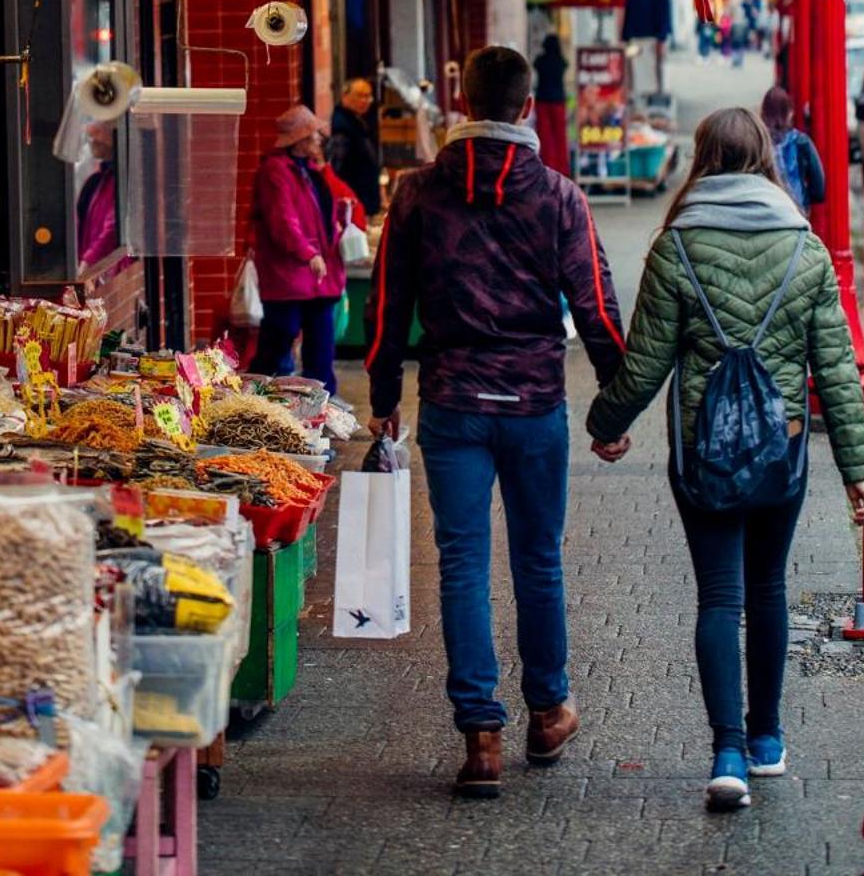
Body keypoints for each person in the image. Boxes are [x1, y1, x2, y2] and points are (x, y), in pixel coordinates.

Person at [586, 108, 864, 813]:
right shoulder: (804, 249)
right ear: (767, 163)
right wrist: (857, 472)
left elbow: (647, 360)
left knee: (719, 597)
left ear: (701, 160)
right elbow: (835, 370)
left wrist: (605, 425)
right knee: (768, 589)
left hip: (701, 452)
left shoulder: (674, 246)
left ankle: (726, 755)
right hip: (780, 451)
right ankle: (768, 739)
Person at [365, 45, 627, 799]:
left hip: (451, 403)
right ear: (524, 106)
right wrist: (611, 410)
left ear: (463, 102)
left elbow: (388, 307)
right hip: (534, 403)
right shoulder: (558, 197)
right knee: (538, 563)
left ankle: (479, 736)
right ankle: (547, 714)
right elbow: (597, 310)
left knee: (462, 565)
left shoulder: (417, 194)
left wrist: (383, 398)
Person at [249, 105, 350, 392]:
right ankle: (268, 395)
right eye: (314, 133)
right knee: (280, 337)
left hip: (316, 273)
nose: (319, 138)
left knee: (321, 339)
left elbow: (316, 214)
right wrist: (308, 252)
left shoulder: (309, 170)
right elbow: (282, 220)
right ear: (300, 138)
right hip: (290, 272)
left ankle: (322, 397)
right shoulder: (276, 171)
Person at [760, 85, 826, 220]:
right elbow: (819, 189)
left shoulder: (757, 141)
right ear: (789, 112)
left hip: (765, 210)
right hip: (796, 211)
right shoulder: (801, 141)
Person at [329, 77, 380, 229]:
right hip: (352, 205)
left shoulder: (357, 121)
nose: (366, 100)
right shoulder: (342, 127)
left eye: (368, 96)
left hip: (362, 204)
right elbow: (336, 167)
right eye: (360, 95)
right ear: (345, 96)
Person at [76, 124, 117, 272]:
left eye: (97, 132)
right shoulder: (101, 179)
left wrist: (89, 260)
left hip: (111, 272)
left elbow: (114, 227)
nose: (91, 139)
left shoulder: (118, 179)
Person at [532, 34, 570, 177]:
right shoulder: (562, 62)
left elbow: (535, 65)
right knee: (560, 137)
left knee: (545, 136)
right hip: (558, 101)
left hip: (542, 101)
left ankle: (547, 167)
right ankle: (562, 170)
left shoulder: (540, 61)